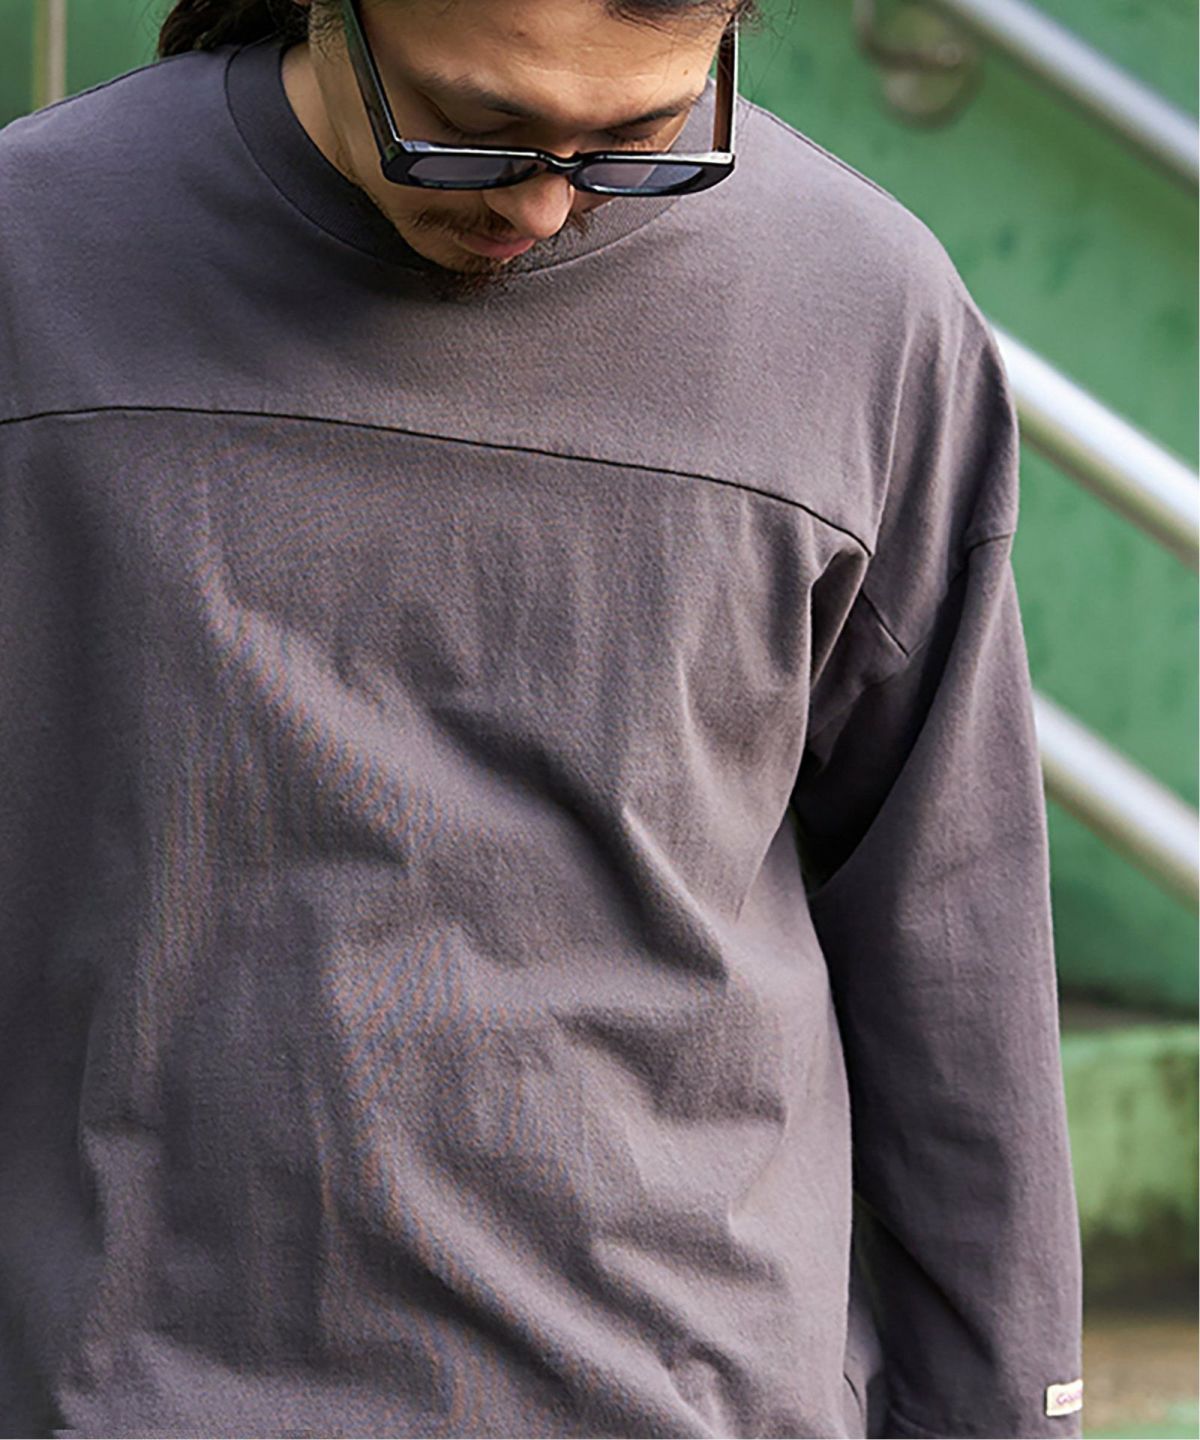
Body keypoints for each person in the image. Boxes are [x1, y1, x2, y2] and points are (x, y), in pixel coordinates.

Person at [0, 0, 1084, 1434]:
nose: (542, 205)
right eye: (474, 126)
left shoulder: (861, 310)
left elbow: (953, 944)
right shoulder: (33, 259)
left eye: (640, 136)